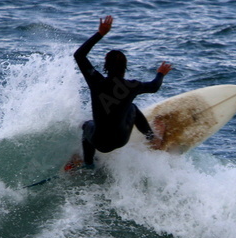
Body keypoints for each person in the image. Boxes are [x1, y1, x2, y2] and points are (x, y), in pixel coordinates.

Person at [73, 15, 173, 167]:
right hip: (120, 139)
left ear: (106, 65)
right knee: (132, 107)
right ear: (124, 67)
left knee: (87, 125)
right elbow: (154, 87)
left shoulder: (96, 81)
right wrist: (160, 73)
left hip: (99, 141)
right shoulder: (132, 86)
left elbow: (79, 55)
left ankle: (88, 163)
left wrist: (100, 34)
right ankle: (151, 137)